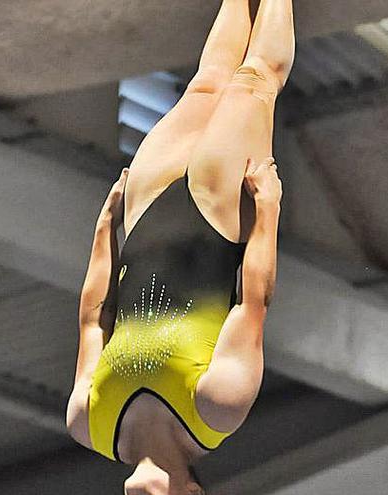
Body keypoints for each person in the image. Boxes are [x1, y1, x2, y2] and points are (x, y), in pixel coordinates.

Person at [66, 0, 294, 493]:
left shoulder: (89, 424)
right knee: (255, 79)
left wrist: (105, 231)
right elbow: (253, 304)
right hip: (211, 215)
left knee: (208, 82)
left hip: (145, 213)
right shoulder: (217, 408)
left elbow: (92, 319)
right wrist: (268, 212)